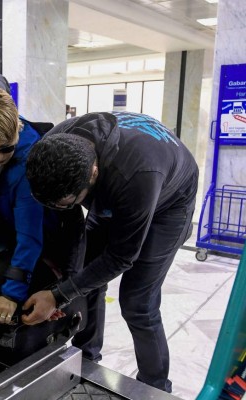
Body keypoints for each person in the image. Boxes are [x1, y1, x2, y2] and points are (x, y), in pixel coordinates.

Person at [24, 111, 199, 393]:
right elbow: (72, 226)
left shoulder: (135, 177)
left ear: (92, 173)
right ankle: (86, 358)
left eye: (69, 202)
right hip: (116, 182)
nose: (63, 207)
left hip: (170, 202)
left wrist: (58, 295)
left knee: (138, 302)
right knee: (88, 276)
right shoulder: (52, 148)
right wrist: (65, 286)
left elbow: (122, 256)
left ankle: (154, 387)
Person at [0, 88, 83, 324]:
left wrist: (11, 294)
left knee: (76, 310)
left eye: (6, 147)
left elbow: (29, 236)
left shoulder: (28, 167)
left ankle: (90, 352)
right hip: (27, 246)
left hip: (54, 245)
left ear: (17, 127)